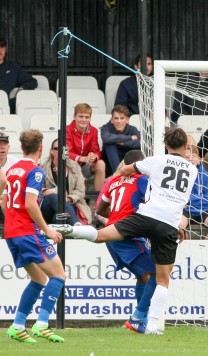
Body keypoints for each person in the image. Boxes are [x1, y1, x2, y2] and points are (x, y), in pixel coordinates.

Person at [50, 127, 197, 335]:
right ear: (186, 146)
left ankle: (71, 229)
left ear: (166, 145)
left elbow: (126, 172)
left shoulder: (154, 162)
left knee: (101, 236)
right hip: (168, 224)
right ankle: (151, 325)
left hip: (144, 217)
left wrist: (129, 173)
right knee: (162, 278)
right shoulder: (193, 170)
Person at [3, 129, 65, 343]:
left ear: (21, 148)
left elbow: (3, 202)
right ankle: (42, 324)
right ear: (41, 148)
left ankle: (18, 326)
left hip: (11, 233)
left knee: (39, 278)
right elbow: (30, 203)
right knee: (59, 275)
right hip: (27, 232)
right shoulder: (35, 171)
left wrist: (14, 219)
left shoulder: (12, 170)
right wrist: (46, 229)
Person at [94, 150, 157, 334]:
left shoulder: (113, 181)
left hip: (111, 234)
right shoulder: (142, 180)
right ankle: (138, 317)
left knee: (143, 276)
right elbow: (153, 204)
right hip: (127, 234)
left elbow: (100, 209)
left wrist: (116, 217)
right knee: (156, 273)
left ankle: (140, 321)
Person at [40, 138, 92, 226]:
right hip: (48, 207)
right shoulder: (43, 168)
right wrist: (51, 191)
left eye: (63, 149)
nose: (60, 151)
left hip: (69, 204)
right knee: (55, 197)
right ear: (52, 151)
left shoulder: (75, 167)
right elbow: (38, 190)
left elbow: (80, 191)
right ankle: (76, 224)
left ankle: (70, 227)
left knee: (59, 216)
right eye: (57, 149)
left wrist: (68, 198)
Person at [180, 144, 208, 241]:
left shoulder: (206, 175)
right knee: (178, 226)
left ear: (199, 159)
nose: (190, 159)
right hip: (186, 210)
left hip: (203, 209)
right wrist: (197, 198)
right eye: (187, 157)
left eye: (193, 156)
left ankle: (203, 248)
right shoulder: (180, 175)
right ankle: (187, 249)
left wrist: (189, 200)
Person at [170, 52, 208, 123]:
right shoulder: (185, 80)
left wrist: (206, 121)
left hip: (206, 124)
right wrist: (192, 121)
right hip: (184, 122)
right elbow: (178, 107)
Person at [66, 103, 106, 191]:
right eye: (80, 116)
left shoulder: (93, 131)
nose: (84, 120)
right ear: (74, 116)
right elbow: (66, 153)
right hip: (69, 166)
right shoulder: (67, 130)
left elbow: (96, 151)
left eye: (87, 117)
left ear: (90, 118)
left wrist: (93, 157)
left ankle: (98, 200)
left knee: (101, 164)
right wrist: (83, 158)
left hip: (85, 166)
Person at [0, 36, 37, 113]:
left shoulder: (12, 67)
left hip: (7, 109)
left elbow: (32, 81)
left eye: (2, 47)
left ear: (5, 49)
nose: (0, 50)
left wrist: (22, 89)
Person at [101, 104, 142, 174]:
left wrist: (124, 143)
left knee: (137, 148)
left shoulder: (132, 129)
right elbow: (106, 138)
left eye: (122, 118)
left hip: (127, 161)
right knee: (110, 145)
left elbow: (140, 142)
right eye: (116, 118)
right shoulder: (106, 127)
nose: (119, 121)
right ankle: (118, 174)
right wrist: (130, 138)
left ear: (127, 120)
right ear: (112, 120)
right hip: (108, 164)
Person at [0, 131, 21, 233]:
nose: (2, 147)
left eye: (4, 144)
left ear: (8, 147)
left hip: (10, 201)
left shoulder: (16, 163)